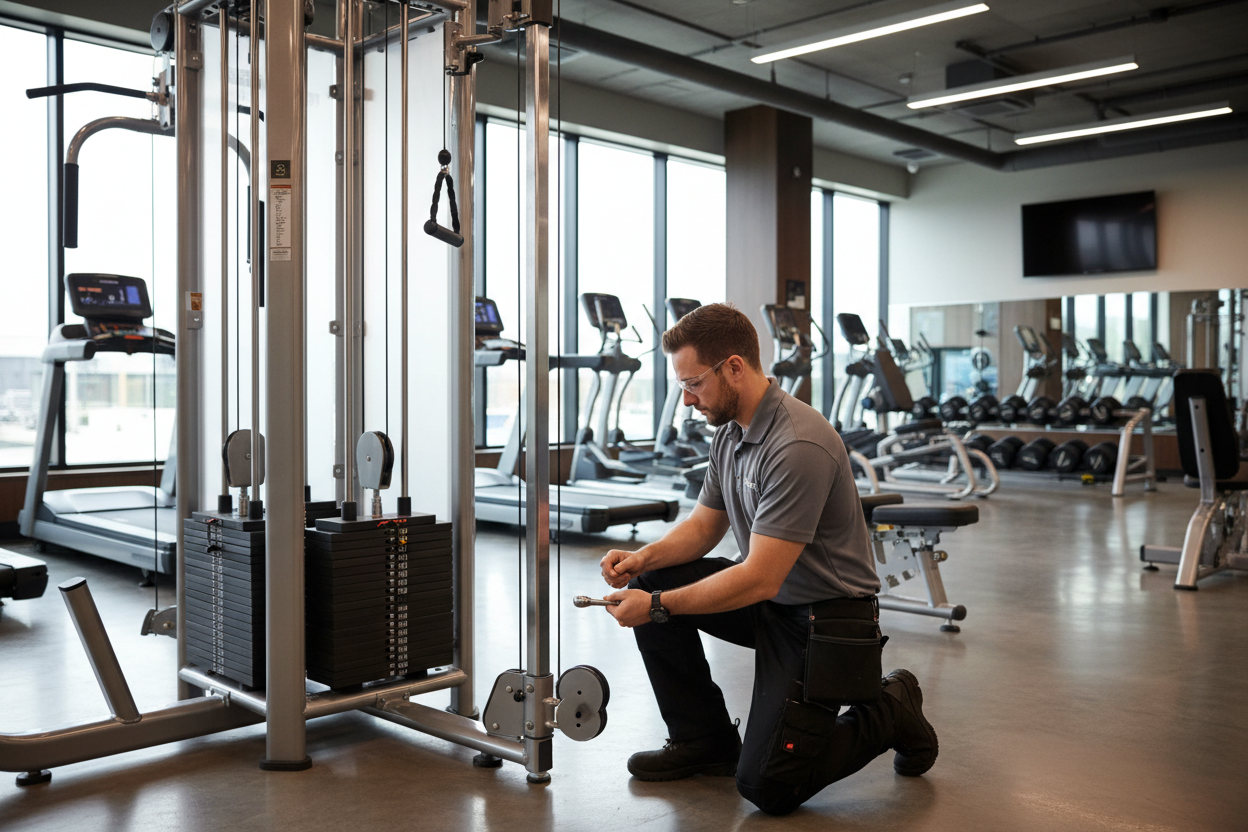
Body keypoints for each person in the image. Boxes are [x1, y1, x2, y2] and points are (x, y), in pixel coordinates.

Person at [599, 302, 937, 816]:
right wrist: (642, 558)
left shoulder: (797, 442)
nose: (687, 399)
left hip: (826, 618)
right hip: (774, 603)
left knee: (768, 787)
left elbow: (759, 577)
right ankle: (703, 739)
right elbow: (703, 527)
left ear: (734, 367)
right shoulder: (729, 434)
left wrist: (659, 606)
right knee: (652, 579)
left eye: (694, 383)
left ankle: (892, 708)